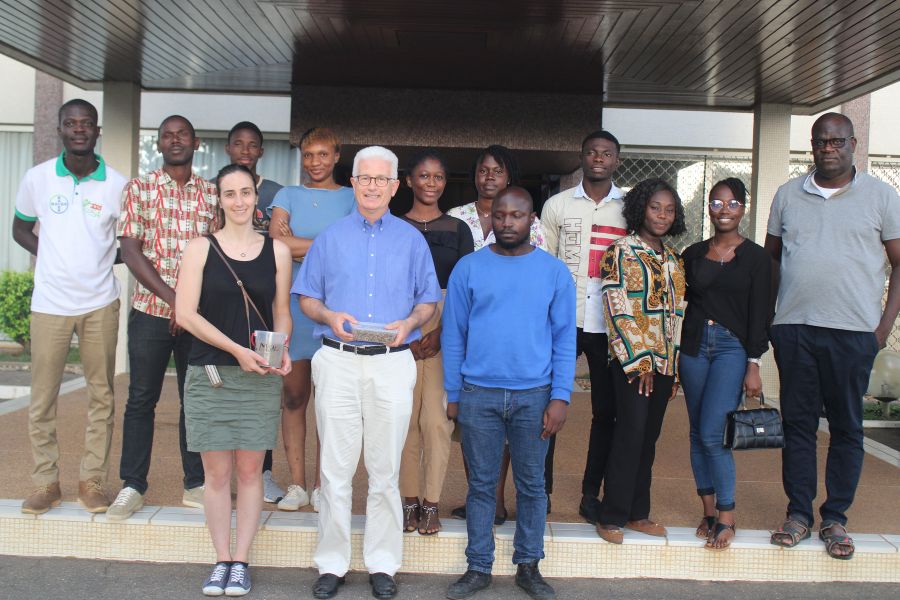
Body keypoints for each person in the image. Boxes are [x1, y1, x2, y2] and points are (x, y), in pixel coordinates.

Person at [295, 146, 440, 600]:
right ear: (353, 182)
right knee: (335, 472)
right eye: (365, 178)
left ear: (396, 186)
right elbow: (307, 298)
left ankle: (382, 563)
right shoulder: (330, 238)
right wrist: (329, 315)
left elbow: (428, 300)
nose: (373, 186)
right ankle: (332, 564)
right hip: (337, 358)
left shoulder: (412, 240)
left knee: (385, 470)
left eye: (382, 179)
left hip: (392, 363)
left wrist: (411, 323)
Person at [765, 113, 900, 560]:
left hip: (854, 332)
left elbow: (899, 263)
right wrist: (771, 322)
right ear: (812, 145)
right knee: (798, 425)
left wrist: (882, 328)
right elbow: (772, 262)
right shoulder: (788, 195)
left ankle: (836, 517)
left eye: (837, 140)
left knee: (846, 427)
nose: (828, 148)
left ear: (853, 143)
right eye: (820, 141)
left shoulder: (882, 196)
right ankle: (799, 514)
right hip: (795, 329)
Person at [442, 186, 575, 600]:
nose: (506, 223)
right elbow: (453, 335)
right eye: (499, 215)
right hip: (477, 394)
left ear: (531, 220)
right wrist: (453, 392)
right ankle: (478, 566)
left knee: (532, 486)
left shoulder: (554, 272)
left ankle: (529, 566)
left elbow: (564, 340)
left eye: (516, 216)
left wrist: (561, 396)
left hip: (534, 395)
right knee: (481, 486)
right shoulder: (468, 268)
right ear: (491, 219)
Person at [176, 164, 292, 597]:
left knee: (250, 474)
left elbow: (281, 311)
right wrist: (236, 351)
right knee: (216, 474)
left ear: (256, 196)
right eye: (230, 194)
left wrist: (281, 353)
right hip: (210, 374)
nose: (240, 201)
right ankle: (220, 559)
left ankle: (241, 560)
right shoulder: (199, 248)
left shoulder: (276, 251)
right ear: (218, 199)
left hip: (259, 374)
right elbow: (185, 314)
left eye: (246, 192)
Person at [13, 99, 127, 515]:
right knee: (42, 398)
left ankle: (92, 481)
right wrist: (51, 255)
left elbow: (128, 244)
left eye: (86, 124)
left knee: (103, 396)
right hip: (49, 305)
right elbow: (19, 228)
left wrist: (99, 257)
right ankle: (46, 483)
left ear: (97, 131)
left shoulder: (116, 183)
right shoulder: (38, 178)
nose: (79, 130)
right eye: (70, 124)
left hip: (100, 304)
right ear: (60, 129)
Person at [109, 115, 217, 521]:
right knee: (141, 399)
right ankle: (132, 485)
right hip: (151, 313)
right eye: (167, 136)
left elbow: (217, 255)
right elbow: (131, 251)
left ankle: (196, 484)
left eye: (182, 134)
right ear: (158, 145)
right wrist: (176, 301)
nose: (175, 141)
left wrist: (191, 307)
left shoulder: (210, 194)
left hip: (199, 317)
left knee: (196, 400)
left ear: (196, 142)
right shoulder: (139, 188)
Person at [446, 144, 544, 523]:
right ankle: (483, 497)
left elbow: (538, 278)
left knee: (515, 437)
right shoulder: (457, 217)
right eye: (483, 170)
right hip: (465, 331)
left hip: (512, 342)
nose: (489, 176)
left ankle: (499, 500)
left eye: (497, 171)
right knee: (473, 431)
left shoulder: (529, 226)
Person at [679, 178, 772, 550]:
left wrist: (754, 362)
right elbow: (679, 303)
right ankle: (707, 510)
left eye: (732, 204)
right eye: (717, 203)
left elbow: (761, 313)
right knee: (695, 431)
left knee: (713, 432)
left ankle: (727, 516)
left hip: (732, 349)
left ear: (743, 209)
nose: (724, 210)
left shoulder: (758, 258)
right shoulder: (693, 254)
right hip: (693, 346)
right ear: (709, 209)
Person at [540, 130, 627, 524]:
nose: (598, 158)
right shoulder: (557, 206)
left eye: (606, 153)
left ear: (616, 161)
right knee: (547, 407)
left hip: (610, 325)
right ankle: (539, 492)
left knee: (606, 413)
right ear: (581, 156)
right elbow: (544, 265)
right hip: (563, 321)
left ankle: (591, 494)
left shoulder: (629, 208)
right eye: (592, 151)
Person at [594, 178, 687, 544]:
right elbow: (616, 308)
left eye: (669, 210)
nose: (662, 215)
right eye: (655, 207)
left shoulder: (674, 259)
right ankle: (610, 514)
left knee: (648, 440)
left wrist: (672, 367)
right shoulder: (620, 251)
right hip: (633, 364)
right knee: (629, 435)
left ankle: (638, 512)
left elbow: (677, 315)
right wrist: (639, 362)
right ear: (640, 209)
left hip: (664, 364)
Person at [268, 128, 356, 512]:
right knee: (293, 396)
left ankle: (323, 486)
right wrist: (328, 244)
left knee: (331, 403)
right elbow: (277, 243)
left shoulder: (353, 197)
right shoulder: (286, 195)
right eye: (307, 154)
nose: (314, 162)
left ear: (337, 156)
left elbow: (353, 249)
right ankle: (297, 485)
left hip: (335, 309)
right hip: (289, 305)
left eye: (322, 154)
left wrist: (302, 244)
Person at [398, 149, 474, 535]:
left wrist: (444, 331)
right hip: (402, 325)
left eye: (438, 177)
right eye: (423, 176)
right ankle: (408, 501)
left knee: (437, 420)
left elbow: (464, 287)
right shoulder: (394, 226)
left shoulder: (458, 228)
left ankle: (431, 504)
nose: (431, 183)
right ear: (409, 180)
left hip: (447, 325)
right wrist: (409, 332)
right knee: (405, 420)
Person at [224, 120, 285, 504]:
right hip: (225, 299)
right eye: (238, 145)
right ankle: (212, 476)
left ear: (261, 152)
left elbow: (281, 241)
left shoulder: (277, 193)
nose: (246, 151)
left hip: (263, 302)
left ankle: (263, 473)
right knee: (223, 390)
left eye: (253, 146)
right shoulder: (220, 187)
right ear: (229, 149)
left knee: (263, 390)